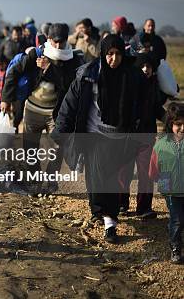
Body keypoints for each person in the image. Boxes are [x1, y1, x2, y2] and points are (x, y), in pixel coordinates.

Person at [54, 34, 145, 243]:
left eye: (118, 54)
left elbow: (142, 105)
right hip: (93, 134)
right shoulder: (88, 74)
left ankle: (109, 219)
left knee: (110, 177)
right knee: (94, 176)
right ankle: (101, 214)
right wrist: (61, 129)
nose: (114, 59)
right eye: (110, 54)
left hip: (120, 136)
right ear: (104, 54)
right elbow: (70, 104)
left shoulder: (131, 76)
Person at [2, 23, 85, 194]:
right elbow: (13, 73)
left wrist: (49, 69)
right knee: (30, 148)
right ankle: (35, 180)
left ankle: (51, 179)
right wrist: (6, 99)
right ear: (48, 39)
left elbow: (69, 85)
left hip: (56, 113)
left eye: (61, 42)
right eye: (54, 42)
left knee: (57, 147)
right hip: (32, 110)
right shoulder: (37, 53)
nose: (58, 46)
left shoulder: (73, 59)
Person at [119, 53, 166, 218]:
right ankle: (120, 204)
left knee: (146, 173)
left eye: (149, 67)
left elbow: (158, 109)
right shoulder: (127, 85)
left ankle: (144, 207)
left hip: (147, 137)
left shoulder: (154, 87)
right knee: (123, 172)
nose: (146, 69)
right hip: (127, 137)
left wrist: (171, 120)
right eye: (142, 66)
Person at [149, 102, 184, 264]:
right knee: (177, 219)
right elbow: (154, 168)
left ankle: (173, 230)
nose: (182, 128)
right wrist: (161, 183)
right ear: (171, 124)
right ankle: (176, 246)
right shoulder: (161, 144)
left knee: (179, 219)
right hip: (171, 191)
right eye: (178, 124)